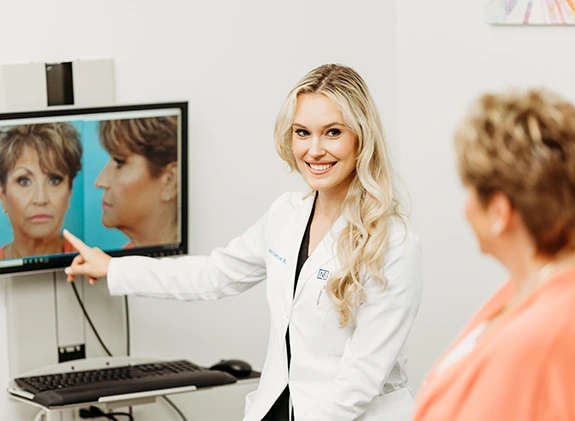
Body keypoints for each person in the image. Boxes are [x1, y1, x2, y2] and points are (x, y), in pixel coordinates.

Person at [64, 63, 423, 421]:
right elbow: (213, 274)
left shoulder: (394, 243)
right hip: (281, 405)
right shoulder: (286, 214)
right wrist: (114, 268)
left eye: (332, 132)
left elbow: (360, 379)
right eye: (302, 133)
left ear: (361, 138)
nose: (314, 150)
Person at [413, 89, 575, 421]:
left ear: (500, 212)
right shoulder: (532, 287)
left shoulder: (543, 337)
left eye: (471, 191)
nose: (465, 207)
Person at [0, 123, 82, 259]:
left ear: (70, 190)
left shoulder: (91, 265)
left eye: (54, 180)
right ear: (2, 194)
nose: (41, 199)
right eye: (24, 181)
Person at [96, 116, 179, 248]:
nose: (99, 182)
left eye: (119, 163)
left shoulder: (192, 266)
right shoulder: (125, 259)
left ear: (170, 180)